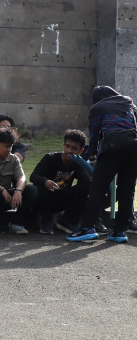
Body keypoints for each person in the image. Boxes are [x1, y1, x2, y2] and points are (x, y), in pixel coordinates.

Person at [67, 86, 137, 243]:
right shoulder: (129, 104)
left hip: (112, 147)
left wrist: (91, 156)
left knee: (98, 187)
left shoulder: (98, 107)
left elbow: (94, 134)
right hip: (133, 148)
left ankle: (87, 228)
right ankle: (120, 231)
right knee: (127, 190)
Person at [29, 129, 90, 235]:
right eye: (67, 146)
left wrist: (91, 171)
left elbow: (85, 181)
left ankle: (67, 221)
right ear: (63, 145)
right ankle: (46, 218)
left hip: (62, 197)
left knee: (85, 187)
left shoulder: (78, 163)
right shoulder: (50, 158)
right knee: (37, 188)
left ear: (81, 151)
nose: (69, 151)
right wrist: (45, 181)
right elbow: (33, 176)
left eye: (74, 148)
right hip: (45, 198)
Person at [0, 126, 36, 234]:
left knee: (31, 190)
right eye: (6, 146)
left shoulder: (13, 159)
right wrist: (1, 189)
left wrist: (18, 191)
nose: (9, 149)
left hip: (7, 197)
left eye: (11, 146)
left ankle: (18, 224)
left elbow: (22, 177)